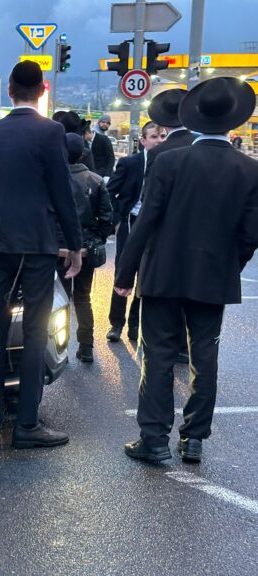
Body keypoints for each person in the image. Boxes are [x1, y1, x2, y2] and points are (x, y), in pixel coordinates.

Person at [116, 77, 258, 464]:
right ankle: (194, 437)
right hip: (214, 276)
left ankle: (154, 438)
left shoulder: (168, 161)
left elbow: (146, 221)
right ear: (233, 121)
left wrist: (125, 274)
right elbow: (250, 234)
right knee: (205, 356)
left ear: (196, 118)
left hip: (162, 273)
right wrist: (229, 265)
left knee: (158, 355)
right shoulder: (249, 169)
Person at [0, 61, 82, 451]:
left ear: (10, 90)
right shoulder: (51, 132)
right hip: (37, 245)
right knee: (35, 333)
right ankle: (26, 425)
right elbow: (62, 192)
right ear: (42, 90)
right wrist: (75, 245)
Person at [145, 88, 197, 364]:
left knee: (165, 308)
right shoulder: (199, 146)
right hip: (198, 239)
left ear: (163, 122)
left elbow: (150, 203)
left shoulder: (159, 153)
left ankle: (170, 349)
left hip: (164, 239)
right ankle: (186, 347)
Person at [106, 121, 165, 343]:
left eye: (162, 137)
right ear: (143, 141)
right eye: (154, 137)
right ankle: (116, 323)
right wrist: (116, 219)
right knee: (123, 270)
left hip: (154, 226)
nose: (159, 141)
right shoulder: (131, 163)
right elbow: (110, 192)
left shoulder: (169, 163)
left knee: (146, 274)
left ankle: (135, 324)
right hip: (131, 221)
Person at [59, 133, 113, 363]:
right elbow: (107, 218)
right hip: (86, 248)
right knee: (83, 297)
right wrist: (95, 239)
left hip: (58, 248)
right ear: (83, 153)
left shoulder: (53, 179)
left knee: (58, 300)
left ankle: (58, 348)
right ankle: (86, 346)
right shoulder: (96, 180)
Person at [91, 114, 115, 178]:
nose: (105, 124)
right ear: (98, 122)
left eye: (107, 123)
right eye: (103, 122)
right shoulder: (94, 134)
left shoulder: (103, 133)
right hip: (96, 171)